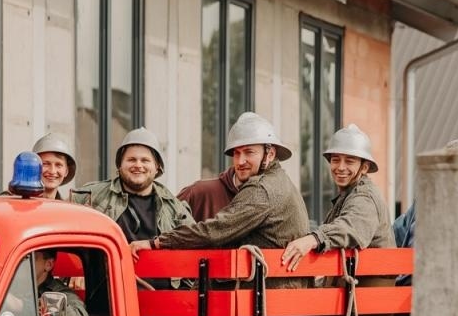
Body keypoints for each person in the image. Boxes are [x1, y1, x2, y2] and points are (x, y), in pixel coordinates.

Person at [131, 112, 308, 255]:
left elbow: (215, 230)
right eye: (237, 153)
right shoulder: (283, 183)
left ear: (269, 155)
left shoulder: (262, 189)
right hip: (274, 290)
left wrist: (157, 242)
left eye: (249, 152)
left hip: (259, 293)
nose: (240, 161)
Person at [279, 124, 393, 271]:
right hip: (354, 285)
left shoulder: (365, 196)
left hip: (369, 289)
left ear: (364, 167)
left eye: (349, 161)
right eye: (335, 160)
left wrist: (313, 239)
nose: (340, 167)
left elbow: (349, 227)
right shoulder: (348, 195)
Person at [71, 127, 193, 242]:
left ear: (157, 167)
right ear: (120, 165)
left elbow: (195, 241)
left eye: (145, 160)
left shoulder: (175, 208)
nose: (138, 165)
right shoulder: (90, 195)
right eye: (131, 160)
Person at [0, 250, 89, 316]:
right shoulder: (8, 286)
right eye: (19, 259)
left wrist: (23, 306)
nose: (21, 264)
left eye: (28, 258)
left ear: (48, 265)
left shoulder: (59, 292)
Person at [24, 132, 78, 200]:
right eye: (45, 164)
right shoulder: (16, 203)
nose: (52, 171)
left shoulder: (66, 208)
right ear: (33, 168)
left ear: (66, 171)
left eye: (58, 165)